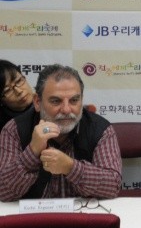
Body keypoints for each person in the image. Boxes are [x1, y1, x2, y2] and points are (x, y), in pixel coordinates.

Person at [0, 64, 122, 201]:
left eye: (74, 100)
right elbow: (3, 192)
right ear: (38, 102)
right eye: (56, 101)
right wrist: (32, 151)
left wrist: (70, 167)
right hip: (34, 213)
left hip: (83, 213)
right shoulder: (14, 130)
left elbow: (113, 186)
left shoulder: (100, 129)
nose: (66, 110)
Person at [0, 60, 34, 132]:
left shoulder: (47, 106)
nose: (19, 91)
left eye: (18, 81)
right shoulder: (4, 128)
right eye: (7, 90)